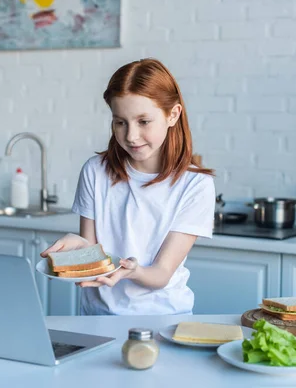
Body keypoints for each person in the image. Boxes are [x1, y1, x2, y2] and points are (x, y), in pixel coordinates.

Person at [41, 58, 215, 316]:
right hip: (96, 316)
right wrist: (77, 246)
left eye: (144, 122)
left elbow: (162, 273)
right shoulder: (95, 171)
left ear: (172, 115)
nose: (131, 136)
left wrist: (134, 271)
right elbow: (92, 253)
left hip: (163, 319)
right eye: (120, 122)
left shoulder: (196, 184)